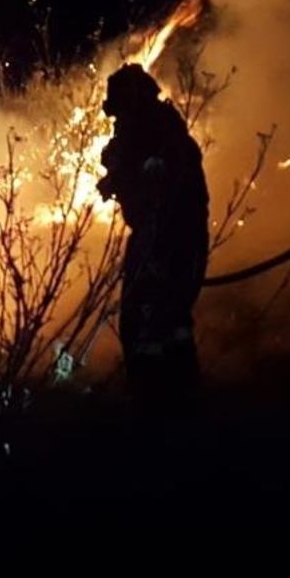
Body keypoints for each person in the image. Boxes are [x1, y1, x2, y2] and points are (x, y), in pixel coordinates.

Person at [97, 64, 210, 405]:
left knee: (151, 322)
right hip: (164, 238)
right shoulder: (158, 134)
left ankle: (158, 404)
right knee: (167, 322)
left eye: (119, 115)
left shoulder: (159, 138)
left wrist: (123, 177)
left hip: (166, 241)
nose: (116, 125)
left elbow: (163, 191)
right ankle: (174, 401)